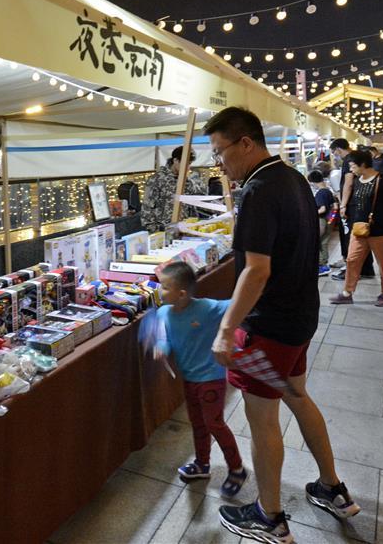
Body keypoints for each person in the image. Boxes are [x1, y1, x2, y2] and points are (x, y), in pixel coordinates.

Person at [205, 107, 360, 543]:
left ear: (246, 143)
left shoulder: (257, 190)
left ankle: (269, 515)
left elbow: (256, 271)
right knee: (298, 396)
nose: (219, 163)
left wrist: (224, 329)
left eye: (220, 152)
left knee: (262, 419)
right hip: (299, 318)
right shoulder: (291, 177)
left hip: (266, 328)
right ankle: (333, 488)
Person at [154, 262, 248, 497]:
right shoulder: (163, 313)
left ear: (182, 293)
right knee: (197, 422)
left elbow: (236, 304)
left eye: (165, 287)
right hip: (189, 379)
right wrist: (161, 348)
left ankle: (237, 468)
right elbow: (164, 338)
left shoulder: (207, 308)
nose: (159, 290)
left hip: (211, 378)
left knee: (214, 423)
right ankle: (202, 464)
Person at [330, 150, 383, 307]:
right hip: (359, 229)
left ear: (363, 164)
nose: (351, 170)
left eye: (353, 166)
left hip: (382, 230)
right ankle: (347, 293)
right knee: (352, 260)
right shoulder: (358, 180)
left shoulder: (382, 180)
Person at [330, 139, 376, 278]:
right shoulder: (355, 157)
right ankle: (365, 268)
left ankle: (355, 268)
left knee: (353, 237)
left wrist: (343, 204)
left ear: (338, 149)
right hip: (358, 203)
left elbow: (348, 183)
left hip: (352, 205)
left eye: (334, 152)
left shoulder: (349, 159)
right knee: (359, 236)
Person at [141, 146, 207, 232]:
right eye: (186, 163)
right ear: (175, 160)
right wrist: (155, 229)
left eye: (189, 164)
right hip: (163, 231)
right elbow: (147, 207)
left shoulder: (186, 181)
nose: (188, 168)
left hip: (184, 230)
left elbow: (200, 199)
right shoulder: (156, 180)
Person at [308, 170, 336, 276]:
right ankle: (324, 265)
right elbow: (335, 206)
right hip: (328, 221)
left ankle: (321, 266)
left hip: (321, 221)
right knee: (324, 242)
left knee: (318, 242)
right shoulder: (328, 190)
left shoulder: (320, 193)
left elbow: (322, 209)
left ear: (313, 182)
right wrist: (331, 219)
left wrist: (312, 213)